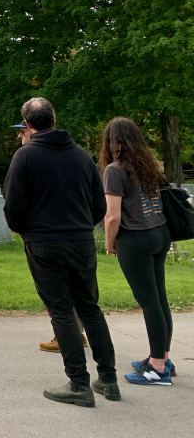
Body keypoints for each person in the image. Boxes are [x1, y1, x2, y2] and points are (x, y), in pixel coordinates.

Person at [3, 97, 118, 406]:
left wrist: (27, 230)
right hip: (80, 240)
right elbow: (98, 204)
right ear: (54, 119)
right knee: (89, 308)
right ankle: (108, 379)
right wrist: (80, 225)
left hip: (43, 242)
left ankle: (79, 383)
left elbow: (13, 206)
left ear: (28, 124)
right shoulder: (81, 155)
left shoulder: (24, 157)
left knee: (62, 311)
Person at [101, 117, 174, 386]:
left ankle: (157, 369)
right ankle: (162, 358)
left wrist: (109, 243)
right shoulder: (148, 164)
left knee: (149, 302)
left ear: (111, 141)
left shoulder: (114, 170)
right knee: (160, 299)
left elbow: (112, 216)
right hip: (160, 233)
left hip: (136, 239)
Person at [12, 122, 89, 355]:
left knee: (56, 294)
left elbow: (14, 201)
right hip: (78, 234)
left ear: (32, 129)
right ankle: (78, 334)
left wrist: (24, 230)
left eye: (22, 131)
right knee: (78, 291)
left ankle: (66, 338)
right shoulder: (76, 154)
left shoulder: (28, 157)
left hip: (45, 236)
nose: (19, 136)